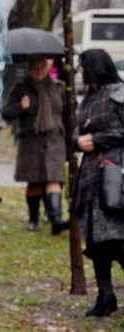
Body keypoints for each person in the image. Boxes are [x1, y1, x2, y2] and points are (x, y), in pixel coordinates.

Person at [72, 49, 124, 317]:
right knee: (96, 242)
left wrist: (99, 140)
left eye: (82, 66)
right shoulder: (89, 96)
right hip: (91, 176)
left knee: (117, 239)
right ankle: (106, 296)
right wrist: (76, 141)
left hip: (115, 176)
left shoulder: (119, 93)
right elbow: (79, 129)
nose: (79, 71)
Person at [2, 54, 68, 235]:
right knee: (34, 182)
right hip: (30, 142)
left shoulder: (59, 87)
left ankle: (55, 219)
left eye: (42, 67)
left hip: (55, 141)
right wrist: (20, 107)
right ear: (29, 68)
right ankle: (33, 218)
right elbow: (6, 113)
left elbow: (68, 114)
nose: (39, 71)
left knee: (54, 178)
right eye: (34, 68)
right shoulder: (20, 88)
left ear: (47, 67)